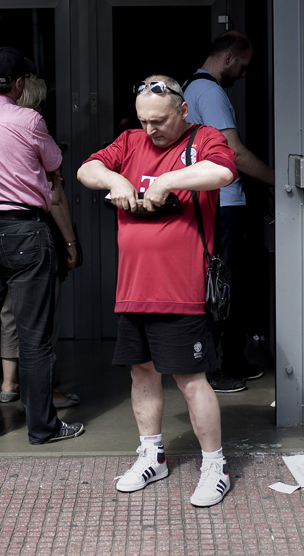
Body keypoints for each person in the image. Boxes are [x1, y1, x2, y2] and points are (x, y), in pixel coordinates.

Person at [77, 74, 237, 507]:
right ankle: (152, 455)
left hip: (181, 286)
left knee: (190, 379)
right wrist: (115, 181)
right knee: (141, 372)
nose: (152, 130)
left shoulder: (203, 139)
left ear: (183, 111)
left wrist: (166, 182)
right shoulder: (129, 141)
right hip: (133, 287)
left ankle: (214, 466)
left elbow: (223, 170)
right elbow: (86, 168)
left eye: (161, 121)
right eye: (145, 120)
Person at [0, 46, 84, 445]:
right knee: (33, 336)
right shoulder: (28, 119)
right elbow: (53, 162)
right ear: (20, 83)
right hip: (23, 229)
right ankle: (42, 427)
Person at [182, 30, 273, 393]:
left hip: (214, 203)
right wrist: (278, 181)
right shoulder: (210, 92)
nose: (245, 74)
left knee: (222, 284)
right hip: (224, 204)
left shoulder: (191, 86)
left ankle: (229, 361)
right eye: (244, 66)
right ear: (230, 58)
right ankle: (213, 370)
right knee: (220, 287)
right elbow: (233, 153)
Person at [0, 74, 80, 409]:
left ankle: (8, 383)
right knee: (45, 314)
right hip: (36, 229)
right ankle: (43, 393)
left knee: (10, 311)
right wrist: (71, 243)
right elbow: (55, 196)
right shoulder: (33, 129)